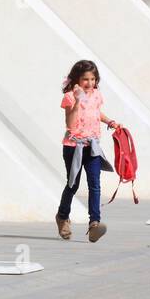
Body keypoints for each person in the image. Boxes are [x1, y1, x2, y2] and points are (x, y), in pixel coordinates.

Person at [55, 60, 122, 242]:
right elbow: (70, 123)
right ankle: (62, 216)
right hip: (73, 147)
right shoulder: (70, 97)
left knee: (95, 184)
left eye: (93, 79)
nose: (90, 83)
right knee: (73, 184)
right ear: (77, 79)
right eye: (85, 79)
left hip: (92, 146)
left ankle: (94, 224)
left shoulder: (96, 95)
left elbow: (95, 112)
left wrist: (109, 122)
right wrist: (77, 101)